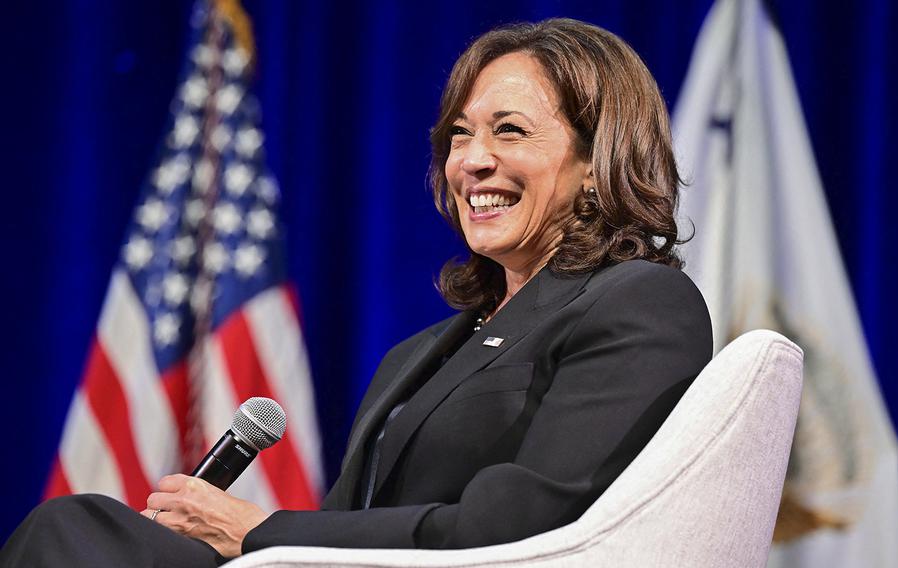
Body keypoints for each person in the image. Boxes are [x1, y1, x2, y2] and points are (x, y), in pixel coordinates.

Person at [0, 17, 712, 567]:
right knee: (82, 531)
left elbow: (519, 528)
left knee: (73, 532)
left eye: (510, 131)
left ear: (598, 162)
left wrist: (257, 531)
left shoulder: (638, 302)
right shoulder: (421, 352)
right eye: (460, 134)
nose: (472, 161)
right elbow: (344, 528)